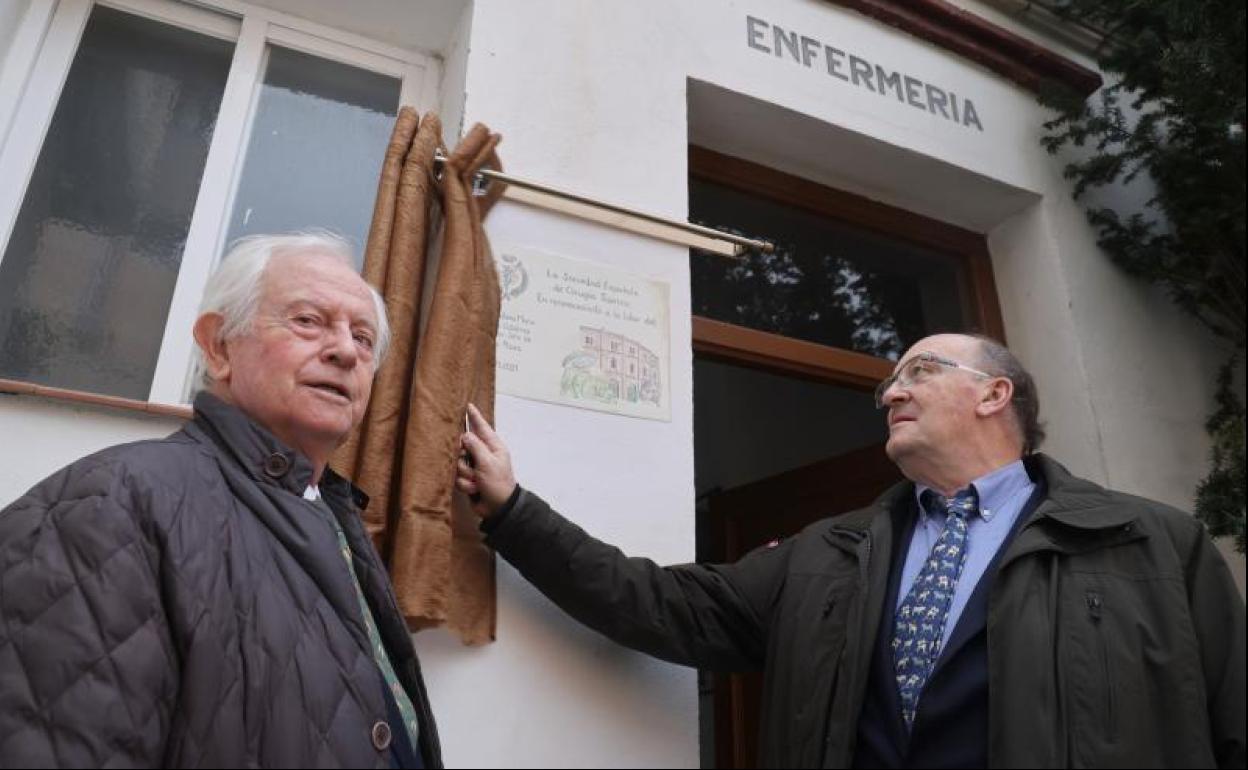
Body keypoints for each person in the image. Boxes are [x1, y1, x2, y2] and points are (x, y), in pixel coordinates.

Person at [457, 333, 1246, 768]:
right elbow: (666, 605)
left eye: (919, 372)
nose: (892, 393)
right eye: (887, 385)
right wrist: (515, 513)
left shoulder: (1150, 545)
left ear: (994, 394)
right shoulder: (827, 554)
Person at [0, 233, 440, 768]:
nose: (346, 350)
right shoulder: (111, 503)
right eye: (307, 321)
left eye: (364, 338)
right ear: (219, 345)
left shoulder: (333, 517)